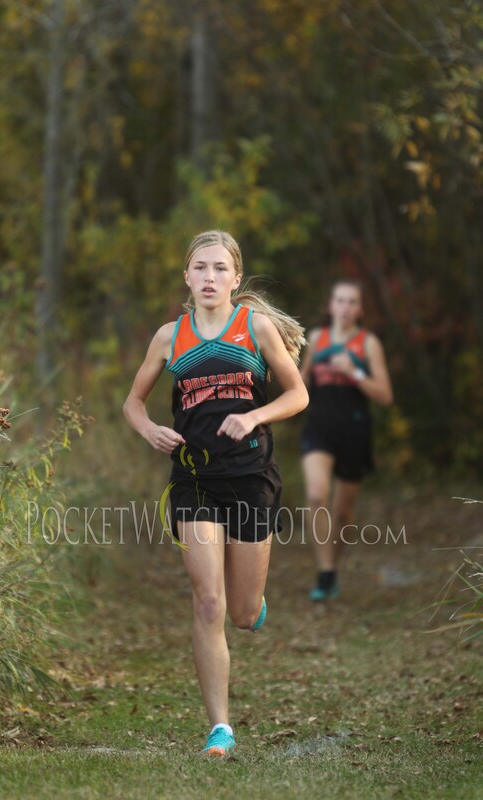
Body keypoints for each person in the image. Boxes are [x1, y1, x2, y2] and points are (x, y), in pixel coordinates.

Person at [123, 230, 308, 756]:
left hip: (251, 477)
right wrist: (149, 429)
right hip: (194, 480)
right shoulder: (169, 337)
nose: (210, 277)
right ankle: (220, 728)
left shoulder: (255, 327)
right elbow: (133, 403)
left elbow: (298, 394)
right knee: (208, 602)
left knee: (242, 614)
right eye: (200, 268)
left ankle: (253, 604)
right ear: (186, 276)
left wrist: (253, 416)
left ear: (236, 277)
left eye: (220, 268)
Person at [299, 280, 393, 602]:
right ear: (331, 306)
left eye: (352, 302)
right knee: (316, 495)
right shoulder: (317, 338)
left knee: (342, 511)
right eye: (340, 300)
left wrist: (355, 373)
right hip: (319, 427)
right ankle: (325, 572)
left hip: (354, 430)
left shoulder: (368, 344)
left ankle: (332, 569)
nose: (345, 307)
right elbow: (301, 383)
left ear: (360, 309)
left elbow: (385, 395)